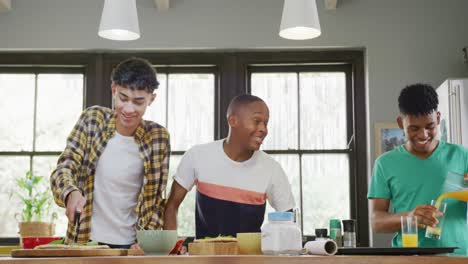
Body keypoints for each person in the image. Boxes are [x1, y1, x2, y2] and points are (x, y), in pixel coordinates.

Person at [50, 57, 170, 248]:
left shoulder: (158, 137)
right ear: (114, 90)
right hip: (86, 242)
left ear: (151, 99)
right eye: (123, 98)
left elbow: (155, 201)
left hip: (131, 245)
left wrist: (147, 242)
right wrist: (70, 192)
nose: (129, 109)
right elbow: (65, 165)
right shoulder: (92, 119)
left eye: (139, 102)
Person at [163, 94, 295, 238]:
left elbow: (288, 221)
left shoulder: (272, 169)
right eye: (257, 121)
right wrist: (172, 249)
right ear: (233, 120)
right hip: (206, 257)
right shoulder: (197, 155)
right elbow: (171, 205)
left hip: (251, 258)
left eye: (266, 123)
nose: (264, 129)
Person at [368, 83, 468, 255]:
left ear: (438, 118)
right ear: (401, 123)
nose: (423, 135)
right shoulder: (385, 164)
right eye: (414, 128)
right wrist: (409, 217)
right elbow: (376, 222)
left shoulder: (461, 155)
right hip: (409, 258)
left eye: (430, 126)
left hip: (458, 258)